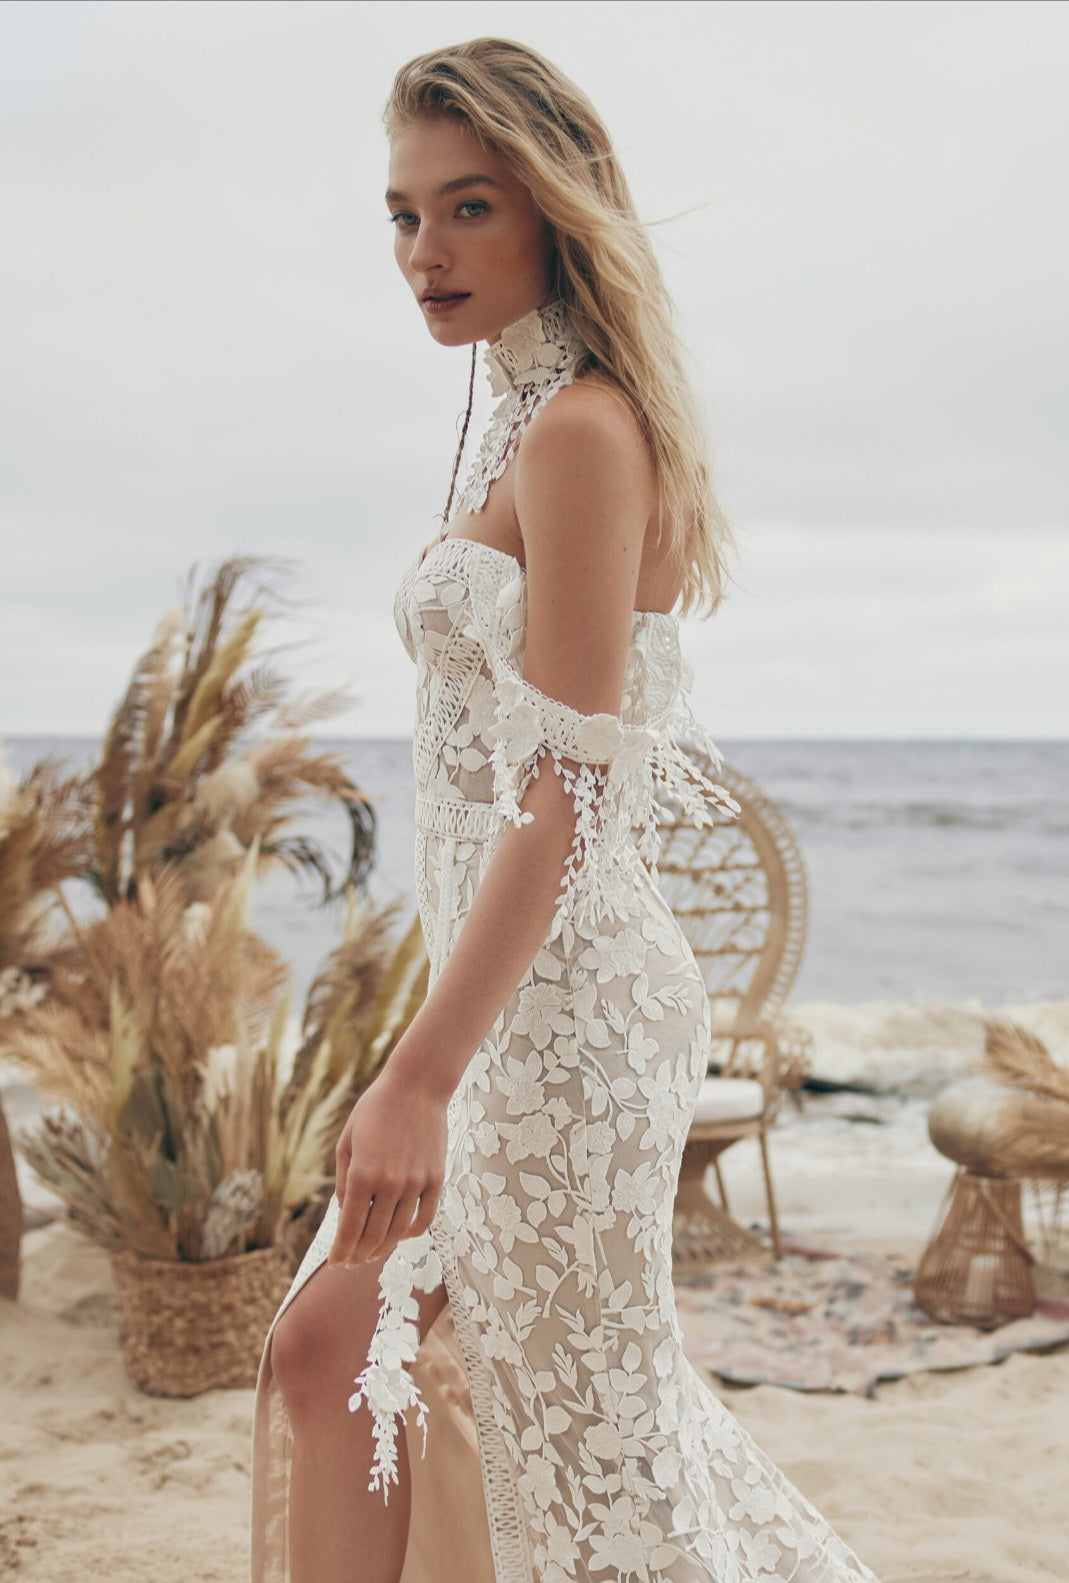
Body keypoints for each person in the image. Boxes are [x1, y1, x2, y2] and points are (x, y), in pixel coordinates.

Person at [251, 37, 881, 1583]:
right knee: (352, 1366)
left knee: (564, 1435)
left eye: (466, 207)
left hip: (570, 1025)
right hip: (509, 1000)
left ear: (553, 208)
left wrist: (414, 1075)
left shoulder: (583, 432)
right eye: (401, 215)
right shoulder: (518, 419)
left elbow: (567, 800)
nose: (425, 253)